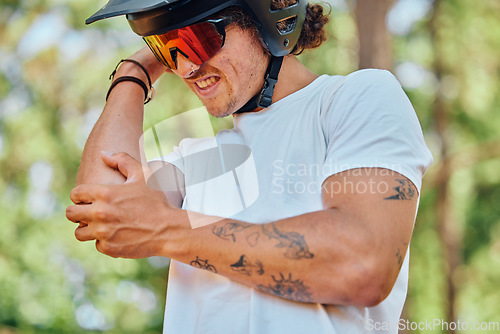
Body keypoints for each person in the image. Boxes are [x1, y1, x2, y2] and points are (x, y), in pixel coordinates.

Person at [66, 0, 433, 333]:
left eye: (198, 38)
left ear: (267, 17)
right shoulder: (200, 153)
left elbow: (362, 263)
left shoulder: (355, 99)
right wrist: (134, 72)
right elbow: (100, 206)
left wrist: (166, 229)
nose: (186, 67)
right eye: (167, 48)